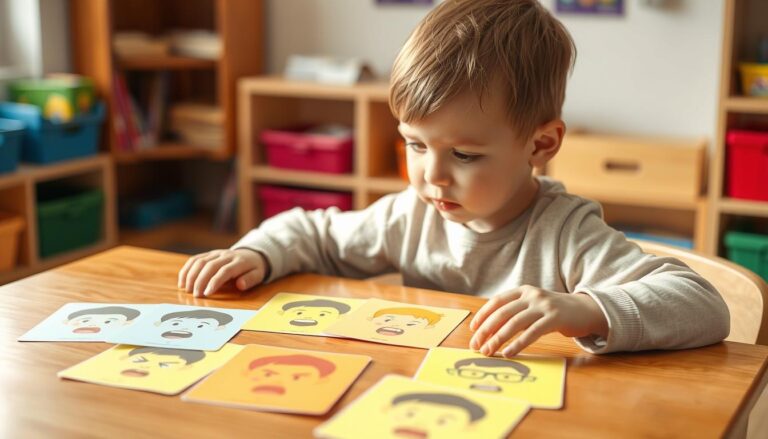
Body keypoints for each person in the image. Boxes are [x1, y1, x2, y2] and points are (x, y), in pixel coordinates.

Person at [178, 0, 729, 357]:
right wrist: (257, 253)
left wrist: (583, 308)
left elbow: (702, 302)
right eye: (415, 145)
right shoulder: (411, 213)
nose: (431, 176)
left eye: (464, 155)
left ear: (541, 145)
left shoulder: (565, 231)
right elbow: (315, 232)